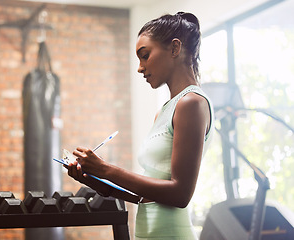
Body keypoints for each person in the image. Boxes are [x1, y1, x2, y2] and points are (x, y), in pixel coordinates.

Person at [65, 12, 214, 240]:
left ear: (175, 49)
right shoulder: (164, 111)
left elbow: (180, 194)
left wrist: (107, 169)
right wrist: (95, 179)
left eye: (145, 56)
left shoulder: (191, 103)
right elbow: (143, 197)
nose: (140, 67)